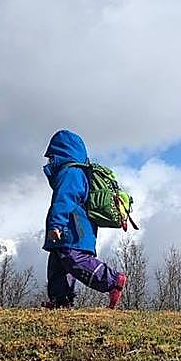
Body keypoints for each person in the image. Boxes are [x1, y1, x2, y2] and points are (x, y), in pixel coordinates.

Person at [42, 129, 128, 309]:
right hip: (75, 226)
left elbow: (64, 200)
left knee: (74, 258)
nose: (49, 161)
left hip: (73, 227)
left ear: (61, 153)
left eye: (52, 156)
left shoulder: (70, 173)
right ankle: (61, 301)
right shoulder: (77, 172)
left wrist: (56, 225)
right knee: (58, 263)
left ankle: (113, 280)